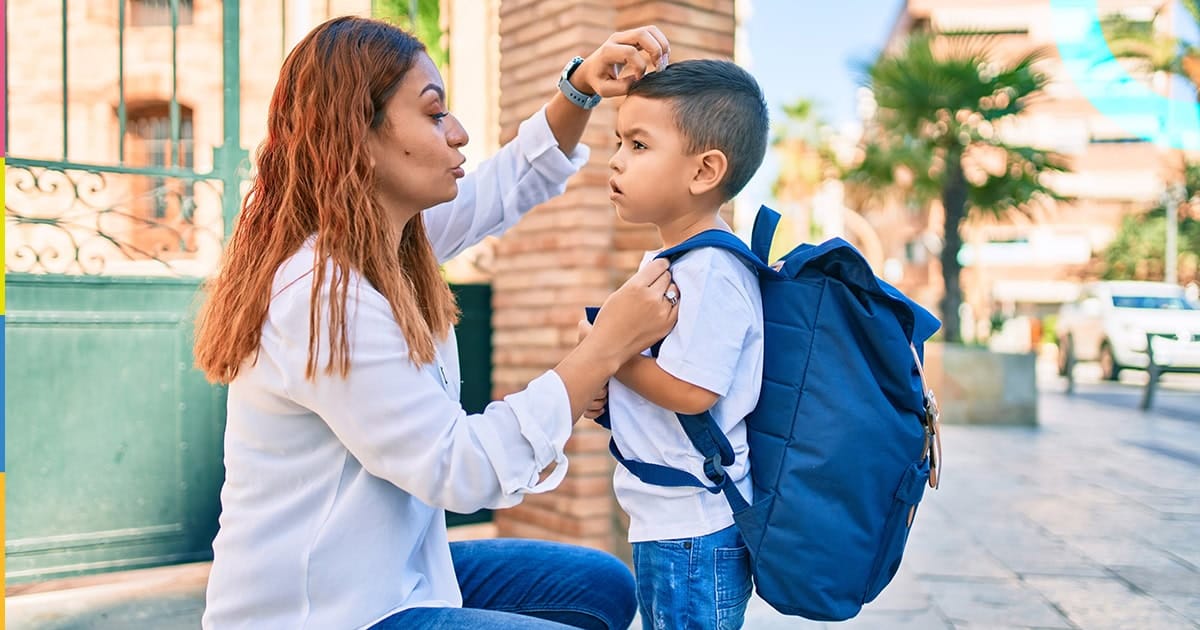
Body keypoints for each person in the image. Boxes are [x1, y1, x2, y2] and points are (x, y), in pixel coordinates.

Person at [192, 16, 679, 630]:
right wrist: (606, 347)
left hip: (386, 571)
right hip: (326, 613)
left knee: (600, 587)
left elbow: (507, 186)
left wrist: (580, 86)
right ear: (358, 137)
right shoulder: (320, 297)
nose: (459, 133)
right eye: (433, 113)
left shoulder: (386, 244)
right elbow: (462, 468)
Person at [583, 59, 769, 630]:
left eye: (639, 145)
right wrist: (610, 396)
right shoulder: (676, 263)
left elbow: (693, 392)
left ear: (705, 170)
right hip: (669, 523)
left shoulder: (712, 270)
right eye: (619, 141)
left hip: (694, 530)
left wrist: (611, 354)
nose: (615, 159)